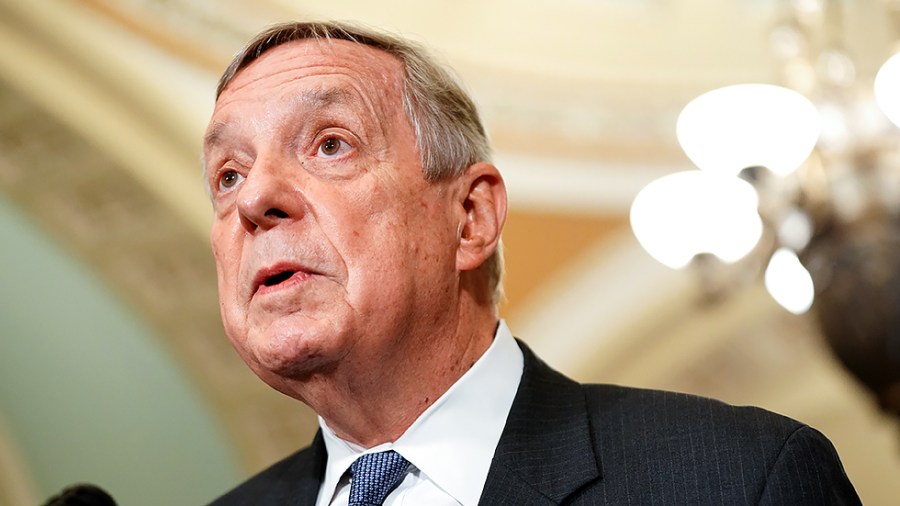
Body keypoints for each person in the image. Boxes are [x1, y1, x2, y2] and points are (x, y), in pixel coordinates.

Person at [203, 21, 860, 505]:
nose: (255, 198)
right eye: (228, 176)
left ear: (471, 218)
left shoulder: (739, 480)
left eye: (330, 144)